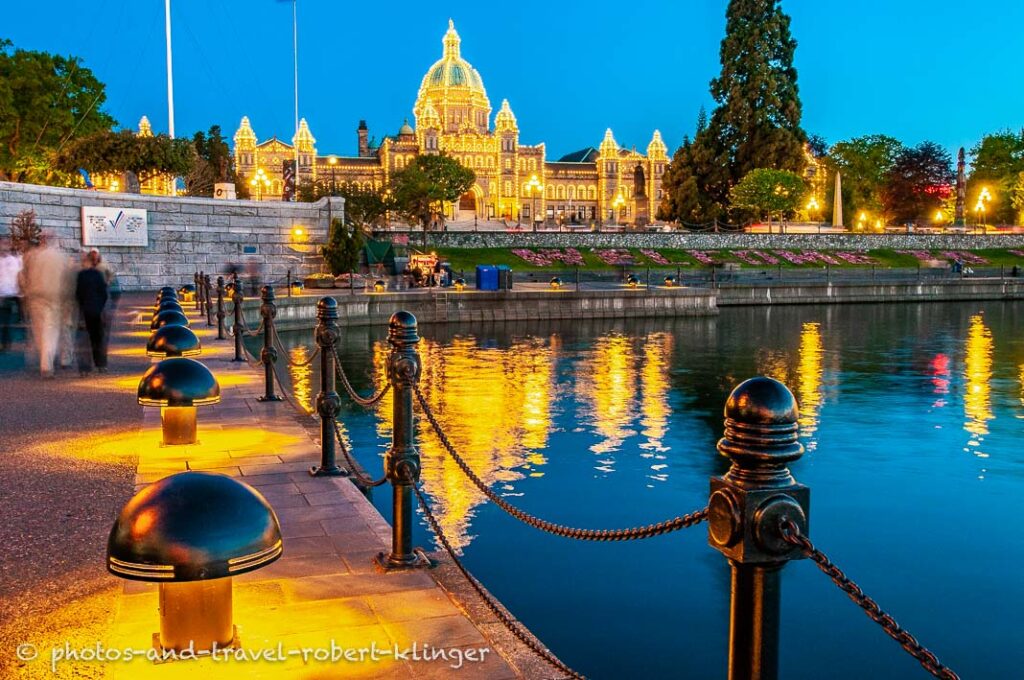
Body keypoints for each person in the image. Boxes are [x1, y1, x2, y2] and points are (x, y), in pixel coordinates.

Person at [19, 237, 71, 377]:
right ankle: (46, 364)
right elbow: (67, 279)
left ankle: (43, 358)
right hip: (54, 298)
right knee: (50, 331)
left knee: (39, 331)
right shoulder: (61, 257)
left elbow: (22, 276)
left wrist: (26, 291)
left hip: (35, 297)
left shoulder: (31, 256)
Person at [75, 250, 109, 374]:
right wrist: (100, 306)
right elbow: (104, 293)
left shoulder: (81, 275)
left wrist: (82, 306)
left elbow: (78, 294)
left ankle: (84, 368)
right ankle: (101, 364)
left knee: (84, 340)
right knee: (98, 338)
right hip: (97, 310)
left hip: (85, 311)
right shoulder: (98, 274)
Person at [0, 241, 22, 352]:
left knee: (5, 321)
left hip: (8, 294)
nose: (3, 250)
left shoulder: (13, 261)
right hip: (2, 293)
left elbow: (16, 276)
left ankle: (5, 343)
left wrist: (17, 290)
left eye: (5, 248)